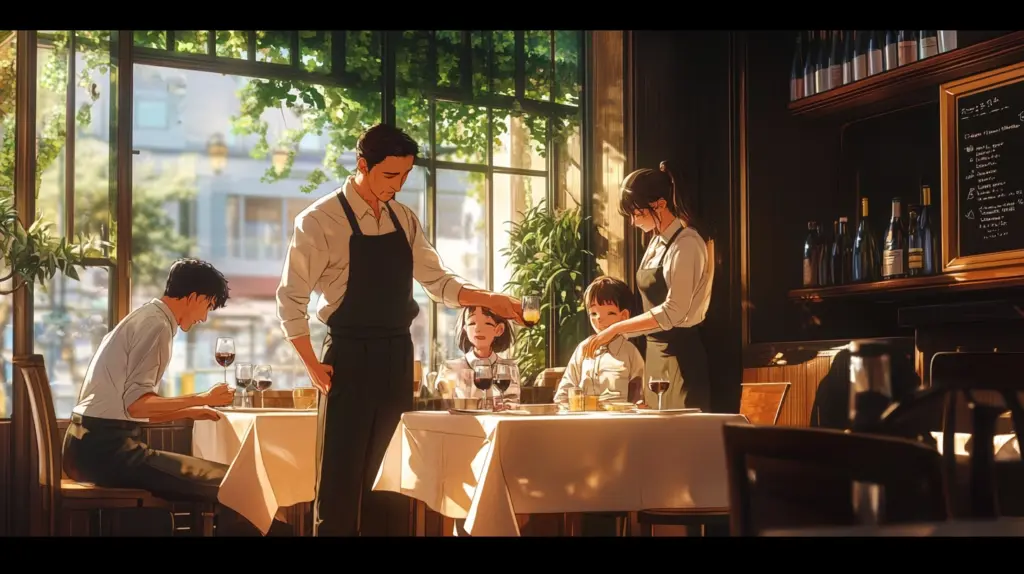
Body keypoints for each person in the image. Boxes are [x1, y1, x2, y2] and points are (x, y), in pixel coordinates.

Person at [276, 123, 523, 537]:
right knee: (339, 477)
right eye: (390, 175)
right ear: (362, 165)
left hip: (395, 354)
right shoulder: (318, 221)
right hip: (348, 356)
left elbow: (439, 282)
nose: (398, 184)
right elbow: (290, 299)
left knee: (389, 476)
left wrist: (491, 299)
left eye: (406, 175)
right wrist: (311, 365)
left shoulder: (403, 219)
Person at [63, 258, 283, 535]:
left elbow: (131, 409)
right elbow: (137, 405)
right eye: (208, 306)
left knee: (234, 481)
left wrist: (190, 411)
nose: (204, 317)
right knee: (238, 484)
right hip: (107, 452)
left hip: (86, 446)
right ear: (194, 297)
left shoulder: (145, 317)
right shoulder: (157, 326)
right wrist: (201, 397)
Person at [582, 161, 714, 412]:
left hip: (681, 356)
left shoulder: (686, 244)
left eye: (636, 213)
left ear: (660, 204)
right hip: (653, 354)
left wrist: (617, 329)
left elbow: (674, 311)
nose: (632, 222)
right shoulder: (655, 243)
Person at [554, 276, 645, 407]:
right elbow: (563, 393)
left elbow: (639, 398)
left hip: (619, 422)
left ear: (624, 316)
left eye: (610, 313)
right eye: (594, 314)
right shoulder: (583, 349)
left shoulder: (630, 353)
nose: (599, 320)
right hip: (583, 422)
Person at [436, 306, 521, 409]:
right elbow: (447, 403)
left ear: (499, 330)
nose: (478, 329)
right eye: (472, 323)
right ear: (465, 330)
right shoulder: (450, 368)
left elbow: (513, 403)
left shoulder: (508, 369)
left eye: (488, 323)